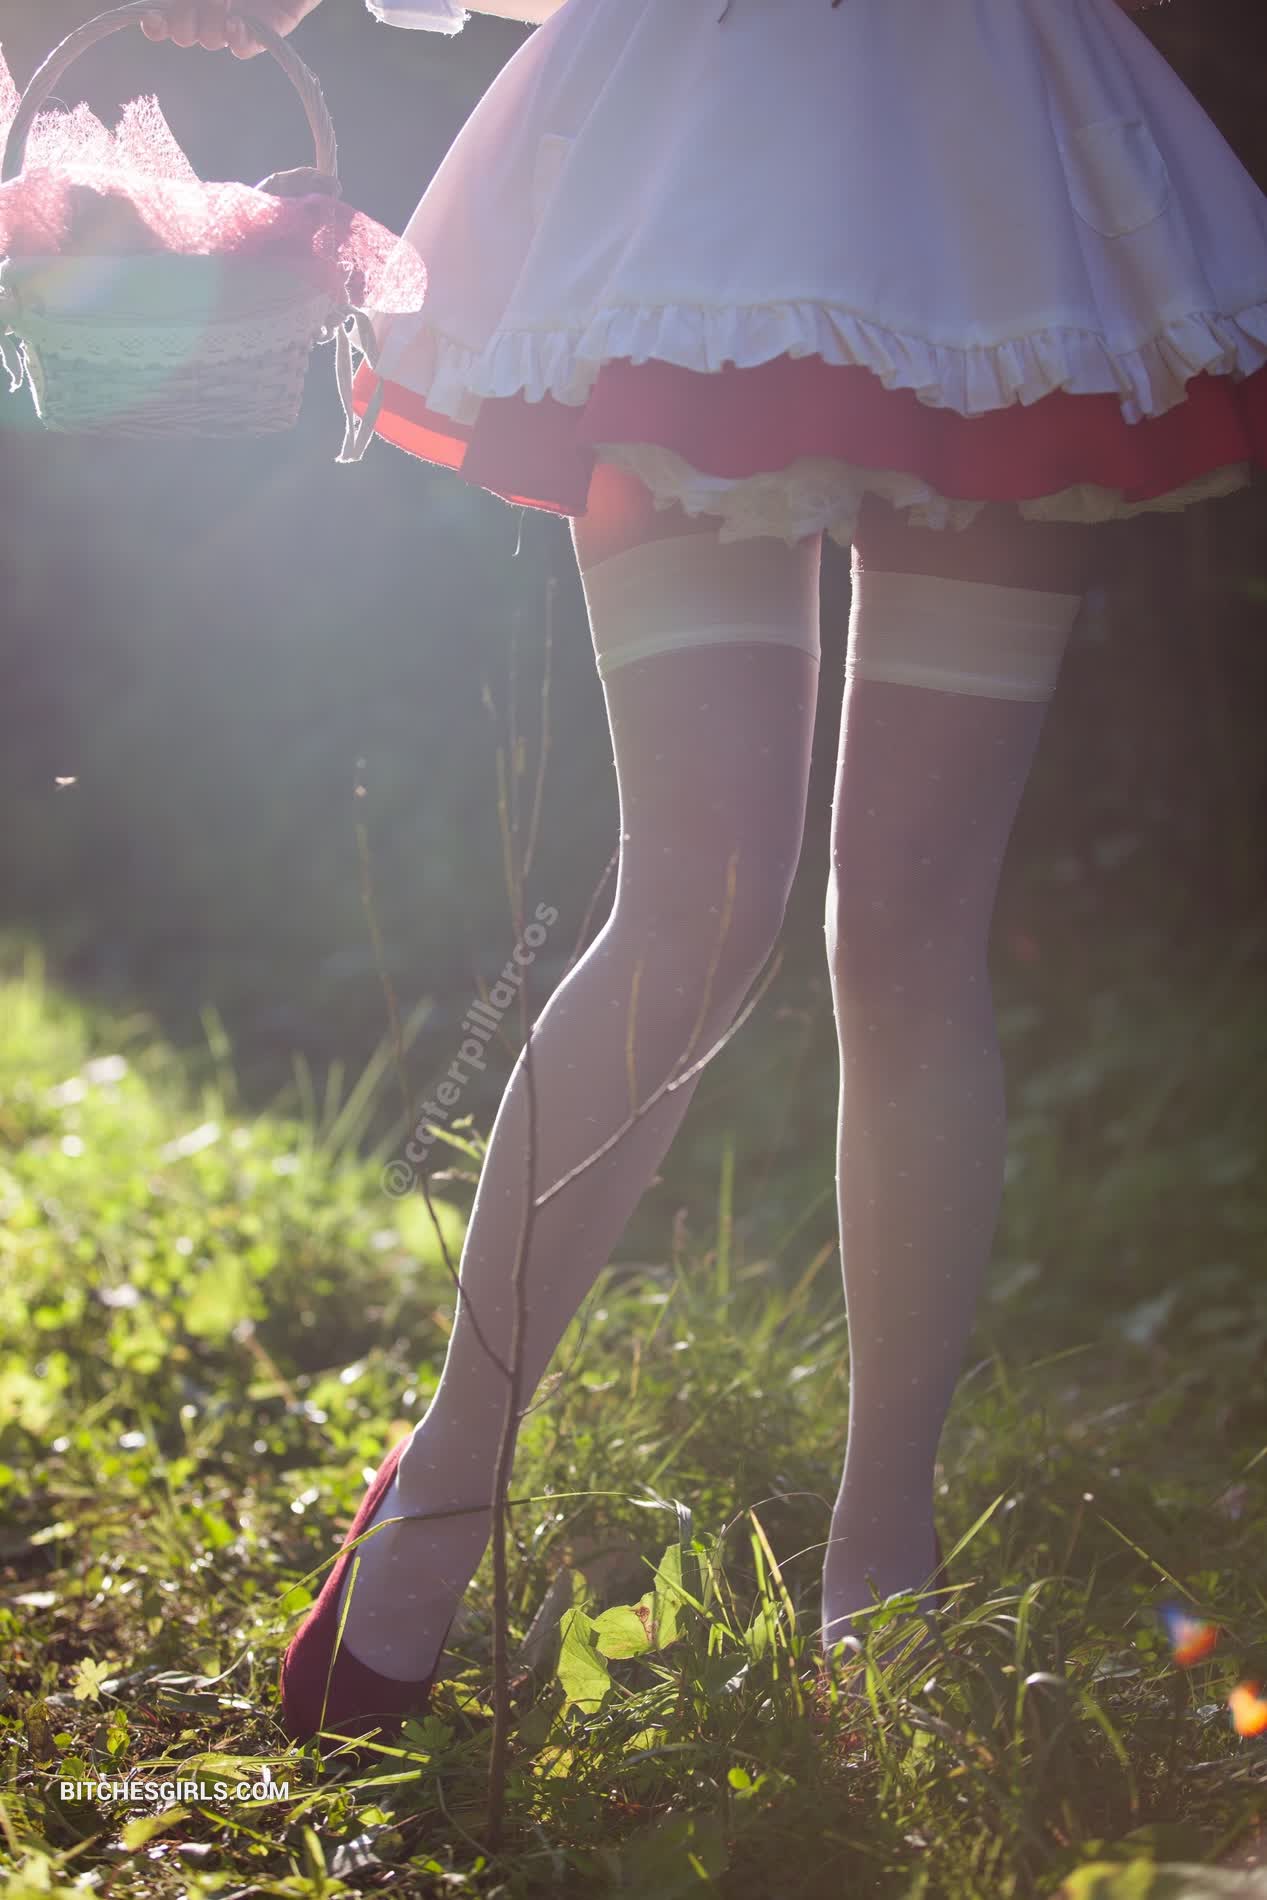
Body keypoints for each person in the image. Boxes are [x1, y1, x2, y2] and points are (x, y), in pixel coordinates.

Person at [143, 0, 1267, 1746]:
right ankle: (445, 1483)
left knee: (911, 930)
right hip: (703, 152)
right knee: (699, 898)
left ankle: (880, 1562)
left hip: (988, 169)